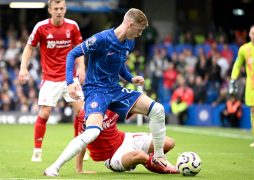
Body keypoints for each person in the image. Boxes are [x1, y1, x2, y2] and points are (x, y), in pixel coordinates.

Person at [44, 8, 176, 176]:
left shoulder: (129, 42)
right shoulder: (101, 39)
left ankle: (159, 157)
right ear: (130, 25)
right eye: (139, 30)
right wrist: (70, 83)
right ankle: (54, 167)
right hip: (96, 91)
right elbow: (72, 53)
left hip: (115, 90)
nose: (140, 34)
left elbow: (119, 63)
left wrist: (130, 78)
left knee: (158, 110)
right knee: (92, 131)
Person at [18, 0, 85, 162]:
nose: (59, 11)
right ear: (50, 10)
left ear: (66, 9)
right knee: (45, 113)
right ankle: (37, 151)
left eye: (62, 8)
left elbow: (80, 48)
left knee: (82, 113)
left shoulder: (72, 26)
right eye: (56, 8)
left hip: (70, 77)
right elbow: (29, 47)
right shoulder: (41, 27)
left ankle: (78, 148)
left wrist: (82, 67)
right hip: (50, 78)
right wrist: (23, 67)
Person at [75, 109, 178, 174]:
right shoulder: (85, 113)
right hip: (111, 156)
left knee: (169, 143)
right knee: (140, 155)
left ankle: (150, 160)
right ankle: (168, 168)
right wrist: (79, 169)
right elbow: (82, 142)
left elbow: (129, 111)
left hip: (125, 138)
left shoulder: (110, 100)